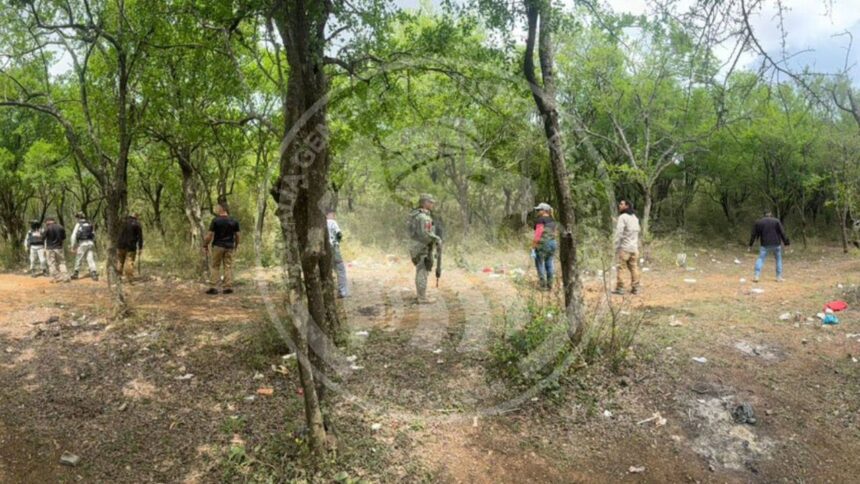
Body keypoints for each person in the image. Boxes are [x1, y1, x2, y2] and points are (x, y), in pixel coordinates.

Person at [408, 193, 442, 304]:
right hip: (421, 247)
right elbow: (425, 234)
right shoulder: (423, 217)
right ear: (425, 203)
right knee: (422, 271)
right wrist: (437, 239)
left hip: (416, 246)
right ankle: (422, 298)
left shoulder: (416, 214)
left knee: (420, 270)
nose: (432, 204)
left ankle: (420, 295)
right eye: (430, 202)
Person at [203, 203, 240, 295]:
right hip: (229, 246)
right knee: (228, 266)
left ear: (222, 209)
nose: (217, 210)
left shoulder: (215, 220)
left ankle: (213, 287)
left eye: (218, 208)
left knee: (215, 266)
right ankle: (228, 287)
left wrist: (205, 244)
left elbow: (210, 235)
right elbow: (238, 235)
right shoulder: (234, 221)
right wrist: (236, 245)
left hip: (218, 246)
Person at [749, 210, 790, 282]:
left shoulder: (759, 222)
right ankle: (778, 277)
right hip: (776, 244)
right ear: (771, 214)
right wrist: (786, 243)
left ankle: (756, 276)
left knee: (760, 259)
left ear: (764, 215)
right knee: (778, 259)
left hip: (765, 244)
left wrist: (750, 245)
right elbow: (782, 232)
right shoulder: (776, 221)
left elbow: (753, 235)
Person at [612, 199, 641, 295]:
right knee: (634, 267)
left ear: (627, 206)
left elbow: (619, 233)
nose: (619, 205)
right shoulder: (635, 218)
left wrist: (616, 246)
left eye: (621, 204)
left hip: (625, 248)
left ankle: (620, 288)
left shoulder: (622, 217)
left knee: (621, 268)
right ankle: (636, 288)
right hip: (634, 248)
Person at [531, 203, 558, 290]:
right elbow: (555, 233)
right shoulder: (552, 220)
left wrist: (533, 247)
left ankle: (543, 286)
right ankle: (550, 285)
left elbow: (538, 234)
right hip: (553, 243)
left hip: (543, 244)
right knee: (549, 263)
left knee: (539, 264)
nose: (537, 211)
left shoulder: (540, 220)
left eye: (539, 210)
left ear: (544, 211)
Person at [326, 209, 349, 298]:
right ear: (328, 214)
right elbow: (339, 234)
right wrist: (336, 244)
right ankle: (342, 291)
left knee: (327, 270)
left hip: (324, 248)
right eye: (332, 214)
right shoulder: (332, 222)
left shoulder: (320, 224)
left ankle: (328, 292)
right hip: (333, 248)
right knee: (340, 269)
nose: (334, 216)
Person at [70, 211, 98, 281]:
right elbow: (94, 234)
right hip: (90, 243)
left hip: (82, 243)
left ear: (78, 218)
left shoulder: (78, 224)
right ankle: (94, 273)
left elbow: (73, 236)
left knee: (79, 258)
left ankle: (76, 273)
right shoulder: (89, 224)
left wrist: (73, 246)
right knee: (90, 258)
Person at [117, 213, 144, 283]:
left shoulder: (122, 222)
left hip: (120, 245)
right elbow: (140, 237)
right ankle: (129, 279)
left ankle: (118, 277)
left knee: (120, 261)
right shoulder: (137, 224)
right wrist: (140, 248)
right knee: (129, 261)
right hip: (131, 246)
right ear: (136, 216)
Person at [43, 217, 70, 283]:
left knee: (52, 263)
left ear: (48, 221)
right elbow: (64, 237)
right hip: (59, 247)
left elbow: (43, 238)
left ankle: (57, 277)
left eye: (46, 222)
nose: (46, 224)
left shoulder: (47, 228)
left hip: (50, 248)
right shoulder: (61, 227)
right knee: (62, 262)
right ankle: (65, 277)